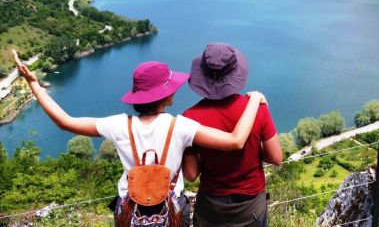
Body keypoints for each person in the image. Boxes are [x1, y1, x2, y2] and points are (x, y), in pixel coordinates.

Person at [12, 50, 267, 226]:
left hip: (129, 210)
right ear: (167, 97)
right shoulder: (181, 127)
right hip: (172, 209)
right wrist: (253, 100)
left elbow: (64, 122)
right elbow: (235, 140)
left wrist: (34, 84)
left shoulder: (119, 125)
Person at [182, 43, 282, 227]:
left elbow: (191, 173)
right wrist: (253, 148)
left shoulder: (188, 118)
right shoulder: (257, 108)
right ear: (235, 75)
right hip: (251, 206)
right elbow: (275, 157)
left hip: (212, 207)